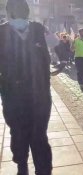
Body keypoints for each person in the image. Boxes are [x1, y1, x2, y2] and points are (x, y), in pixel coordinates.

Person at [0, 0, 52, 174]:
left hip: (13, 95)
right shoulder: (40, 29)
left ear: (9, 12)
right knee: (39, 134)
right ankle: (42, 169)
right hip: (39, 93)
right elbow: (59, 46)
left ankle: (22, 164)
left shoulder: (1, 31)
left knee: (18, 131)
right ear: (27, 11)